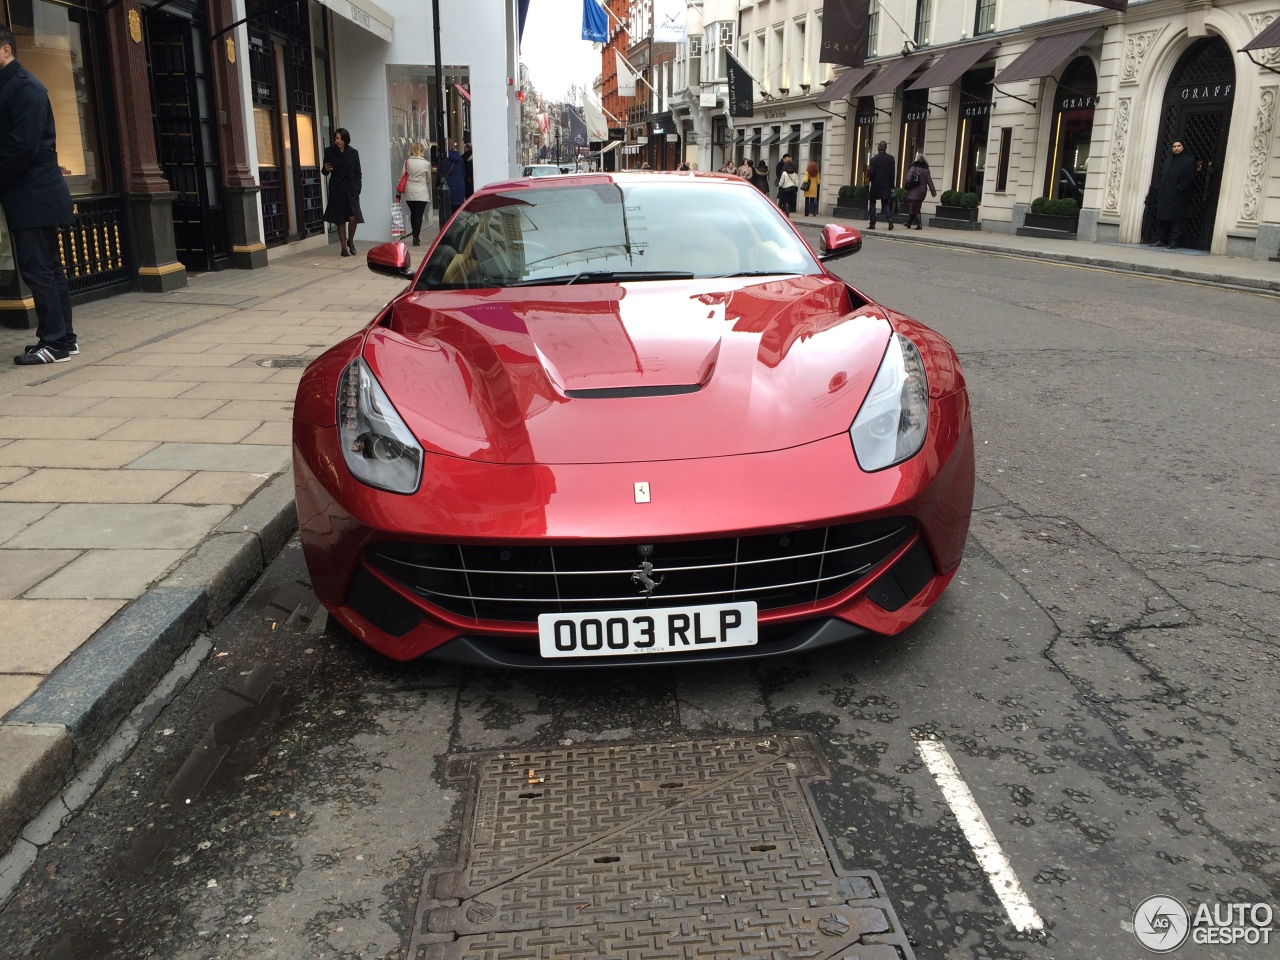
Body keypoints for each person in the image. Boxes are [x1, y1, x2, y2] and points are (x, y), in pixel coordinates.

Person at [0, 26, 78, 364]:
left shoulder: (25, 88)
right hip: (32, 194)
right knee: (49, 268)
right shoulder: (12, 86)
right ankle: (64, 340)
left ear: (5, 50)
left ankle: (55, 342)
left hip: (33, 195)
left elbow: (23, 147)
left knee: (39, 270)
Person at [322, 128, 363, 256]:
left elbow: (358, 173)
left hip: (351, 188)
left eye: (340, 138)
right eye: (336, 138)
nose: (338, 141)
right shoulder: (329, 151)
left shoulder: (353, 152)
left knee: (353, 217)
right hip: (337, 187)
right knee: (340, 219)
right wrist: (325, 169)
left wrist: (357, 188)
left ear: (345, 139)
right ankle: (344, 248)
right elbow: (324, 172)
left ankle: (350, 241)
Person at [1153, 140, 1197, 248]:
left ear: (1183, 147)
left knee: (1176, 219)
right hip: (1165, 193)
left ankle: (1174, 241)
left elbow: (1189, 178)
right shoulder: (1169, 159)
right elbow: (1162, 174)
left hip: (1177, 195)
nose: (1176, 148)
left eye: (1179, 146)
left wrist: (1178, 189)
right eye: (1174, 146)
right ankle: (1162, 239)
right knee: (1163, 218)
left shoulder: (1189, 160)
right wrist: (1159, 187)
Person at [398, 143, 432, 246]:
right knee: (419, 214)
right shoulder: (426, 164)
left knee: (413, 213)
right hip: (421, 192)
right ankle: (416, 236)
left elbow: (402, 176)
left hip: (410, 191)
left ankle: (414, 234)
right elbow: (428, 179)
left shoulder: (407, 162)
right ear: (422, 151)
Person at [866, 140, 896, 230]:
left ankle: (873, 223)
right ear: (885, 148)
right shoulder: (891, 159)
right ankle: (890, 219)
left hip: (876, 184)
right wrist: (891, 186)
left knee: (872, 203)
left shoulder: (874, 160)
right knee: (885, 203)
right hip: (886, 185)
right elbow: (892, 174)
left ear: (878, 148)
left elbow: (871, 173)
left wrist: (871, 180)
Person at [904, 156, 937, 230]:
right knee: (916, 207)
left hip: (914, 190)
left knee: (914, 208)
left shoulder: (914, 167)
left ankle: (919, 224)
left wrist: (908, 183)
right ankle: (909, 223)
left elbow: (908, 178)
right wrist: (933, 192)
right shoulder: (926, 170)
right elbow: (930, 182)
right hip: (922, 191)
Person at [442, 144, 466, 218]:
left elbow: (441, 174)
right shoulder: (460, 158)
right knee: (458, 210)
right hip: (460, 185)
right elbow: (464, 173)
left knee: (448, 210)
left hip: (448, 185)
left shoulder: (444, 158)